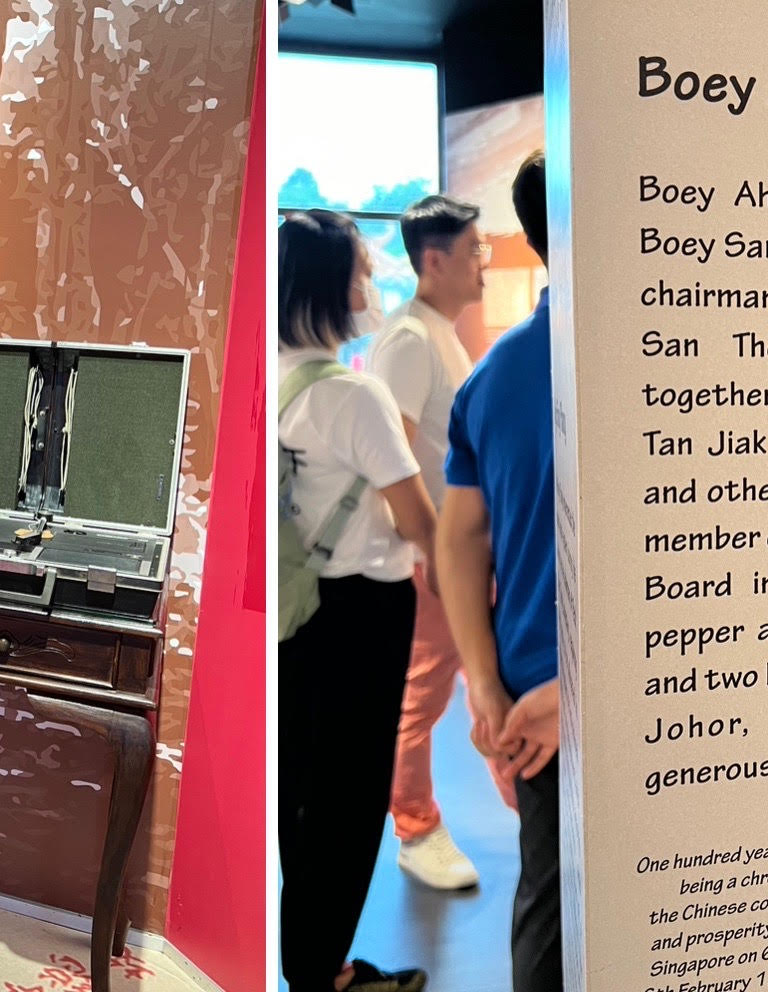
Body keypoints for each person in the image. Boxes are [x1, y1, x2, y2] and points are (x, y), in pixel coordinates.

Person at [279, 208, 438, 992]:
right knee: (349, 800)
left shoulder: (279, 379)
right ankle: (324, 976)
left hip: (297, 608)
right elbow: (417, 520)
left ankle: (315, 964)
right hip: (364, 612)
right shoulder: (355, 396)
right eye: (363, 271)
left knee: (303, 791)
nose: (371, 284)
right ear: (329, 285)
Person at [435, 152, 561, 992]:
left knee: (551, 908)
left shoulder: (491, 376)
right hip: (575, 704)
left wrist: (484, 684)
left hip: (527, 695)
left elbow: (459, 538)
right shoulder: (676, 362)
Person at [372, 193, 485, 893]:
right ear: (434, 261)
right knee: (420, 698)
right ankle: (414, 827)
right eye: (473, 251)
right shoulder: (411, 340)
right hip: (434, 558)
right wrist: (434, 551)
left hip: (460, 553)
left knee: (480, 682)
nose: (483, 264)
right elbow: (393, 463)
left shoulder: (438, 333)